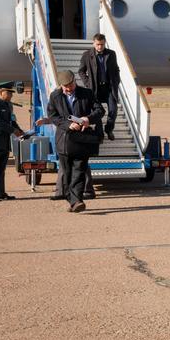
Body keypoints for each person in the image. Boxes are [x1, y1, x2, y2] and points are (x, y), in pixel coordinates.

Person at [47, 70, 104, 213]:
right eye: (65, 86)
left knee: (79, 172)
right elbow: (53, 116)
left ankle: (77, 200)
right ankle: (72, 200)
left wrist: (88, 119)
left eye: (70, 85)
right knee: (67, 173)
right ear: (61, 85)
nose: (68, 89)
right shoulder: (55, 96)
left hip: (82, 140)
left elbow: (100, 110)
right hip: (64, 141)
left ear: (75, 81)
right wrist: (68, 124)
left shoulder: (87, 93)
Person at [36, 116, 96, 200]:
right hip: (64, 140)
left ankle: (88, 191)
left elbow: (69, 117)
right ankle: (62, 192)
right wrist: (46, 121)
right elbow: (58, 117)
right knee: (63, 167)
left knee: (82, 165)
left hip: (78, 137)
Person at [78, 33, 120, 140]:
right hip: (95, 89)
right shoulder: (87, 55)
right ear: (93, 43)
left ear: (105, 43)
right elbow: (81, 71)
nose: (100, 47)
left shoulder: (111, 54)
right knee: (97, 112)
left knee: (113, 110)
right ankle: (99, 132)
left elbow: (116, 69)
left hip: (109, 88)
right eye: (98, 44)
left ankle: (109, 129)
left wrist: (116, 81)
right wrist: (88, 83)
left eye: (102, 44)